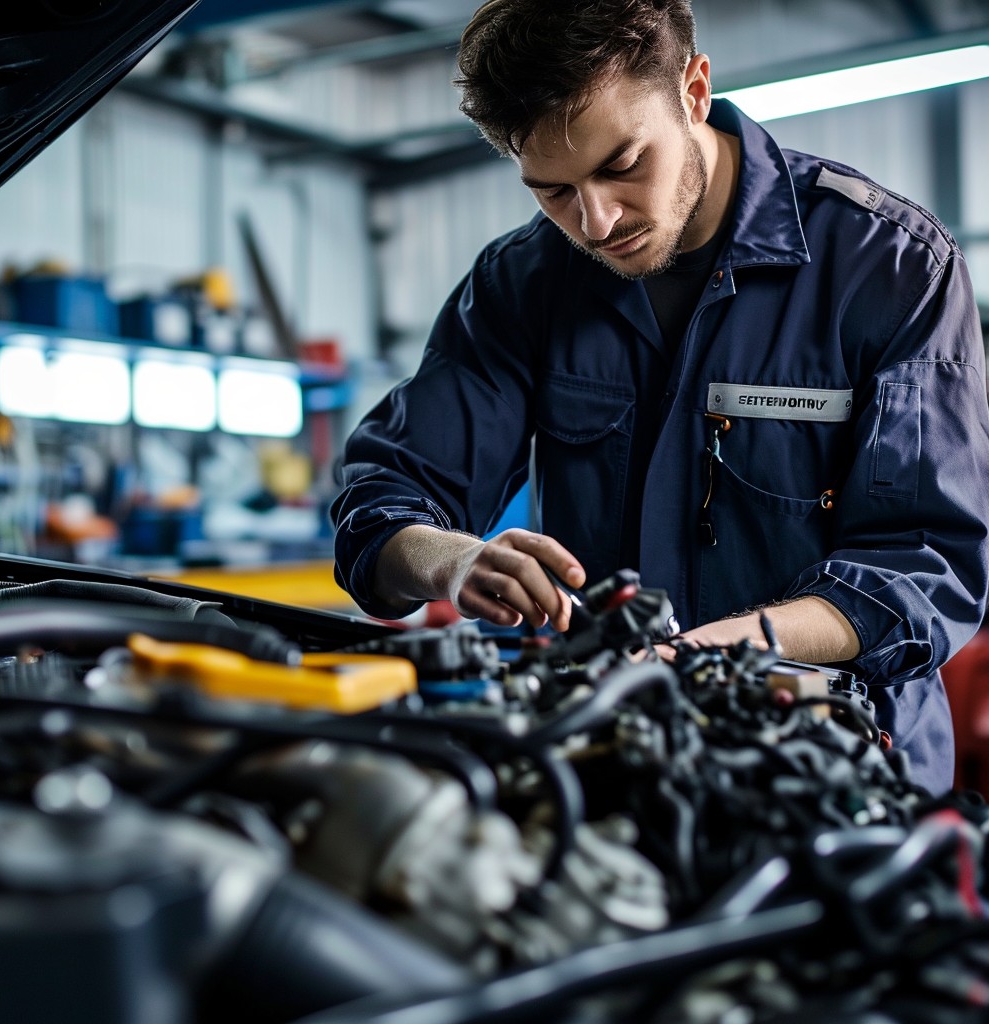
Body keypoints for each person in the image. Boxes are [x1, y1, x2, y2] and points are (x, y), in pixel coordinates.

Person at [330, 0, 989, 794]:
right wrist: (454, 562)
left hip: (838, 776)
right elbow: (383, 501)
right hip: (612, 763)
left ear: (695, 90)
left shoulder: (887, 268)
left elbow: (927, 564)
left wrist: (731, 648)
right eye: (553, 191)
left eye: (621, 165)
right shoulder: (522, 285)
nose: (597, 221)